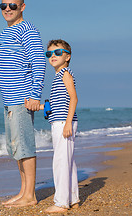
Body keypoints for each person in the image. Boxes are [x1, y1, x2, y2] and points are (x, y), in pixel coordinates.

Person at [0, 0, 46, 207]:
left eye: (12, 5)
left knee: (25, 147)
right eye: (4, 6)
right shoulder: (3, 34)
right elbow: (3, 70)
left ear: (22, 7)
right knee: (16, 148)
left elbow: (39, 62)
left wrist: (34, 95)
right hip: (8, 100)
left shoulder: (27, 29)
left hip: (22, 99)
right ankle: (23, 192)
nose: (8, 9)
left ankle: (30, 196)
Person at [40, 39, 79, 213]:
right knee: (67, 161)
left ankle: (62, 202)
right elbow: (57, 103)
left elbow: (74, 98)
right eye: (49, 53)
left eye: (57, 53)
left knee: (61, 161)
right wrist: (40, 106)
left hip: (64, 122)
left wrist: (68, 123)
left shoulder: (65, 73)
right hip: (60, 120)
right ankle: (73, 198)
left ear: (67, 56)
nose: (53, 56)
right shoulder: (58, 75)